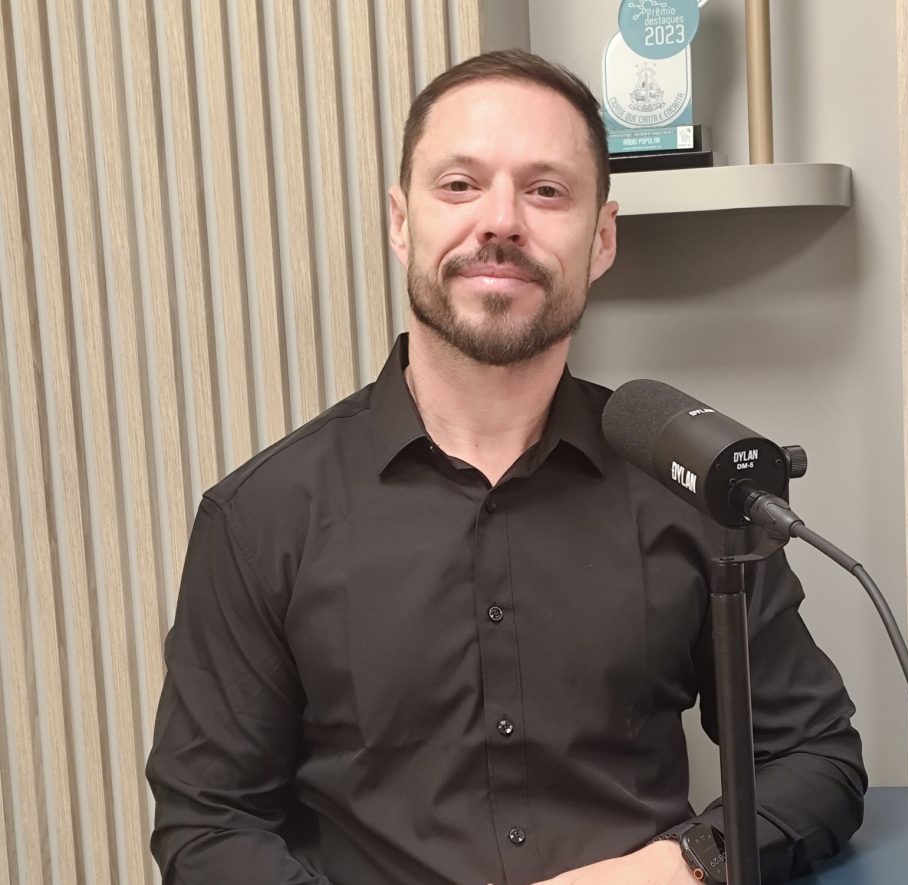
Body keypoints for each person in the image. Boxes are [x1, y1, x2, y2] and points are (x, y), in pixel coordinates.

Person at [147, 49, 866, 885]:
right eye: (459, 185)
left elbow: (818, 756)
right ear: (400, 221)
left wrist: (679, 867)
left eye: (546, 190)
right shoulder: (261, 516)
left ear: (601, 238)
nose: (501, 220)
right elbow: (208, 825)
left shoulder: (692, 489)